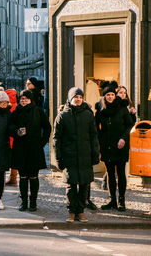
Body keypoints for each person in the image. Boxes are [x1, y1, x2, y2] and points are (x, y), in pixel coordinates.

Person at [53, 87, 99, 223]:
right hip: (69, 156)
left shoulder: (88, 114)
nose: (78, 99)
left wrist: (95, 154)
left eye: (80, 97)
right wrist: (58, 158)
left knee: (84, 185)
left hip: (85, 155)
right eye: (75, 97)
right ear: (70, 99)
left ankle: (81, 211)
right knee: (71, 186)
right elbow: (57, 139)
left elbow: (93, 136)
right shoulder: (62, 115)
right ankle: (72, 212)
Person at [10, 90, 51, 211]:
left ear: (30, 99)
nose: (23, 100)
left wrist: (42, 142)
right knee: (22, 177)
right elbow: (10, 126)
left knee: (33, 176)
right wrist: (17, 132)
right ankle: (24, 202)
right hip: (20, 148)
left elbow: (47, 127)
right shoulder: (16, 111)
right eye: (21, 98)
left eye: (26, 98)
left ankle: (33, 202)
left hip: (34, 149)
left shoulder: (37, 111)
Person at [95, 84, 133, 212]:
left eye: (112, 94)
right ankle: (112, 200)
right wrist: (100, 140)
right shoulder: (100, 109)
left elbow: (129, 126)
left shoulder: (122, 107)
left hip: (120, 144)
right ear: (104, 97)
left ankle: (121, 200)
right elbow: (95, 127)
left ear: (114, 95)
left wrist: (123, 138)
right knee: (110, 174)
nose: (110, 97)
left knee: (121, 173)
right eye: (107, 95)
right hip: (107, 146)